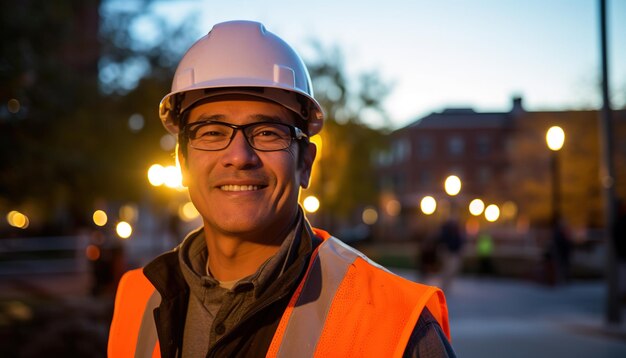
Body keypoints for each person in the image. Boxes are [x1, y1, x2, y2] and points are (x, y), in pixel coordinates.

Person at [108, 20, 454, 357]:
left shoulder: (394, 323)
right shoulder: (139, 297)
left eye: (267, 132)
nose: (239, 157)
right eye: (212, 132)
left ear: (305, 163)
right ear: (182, 163)